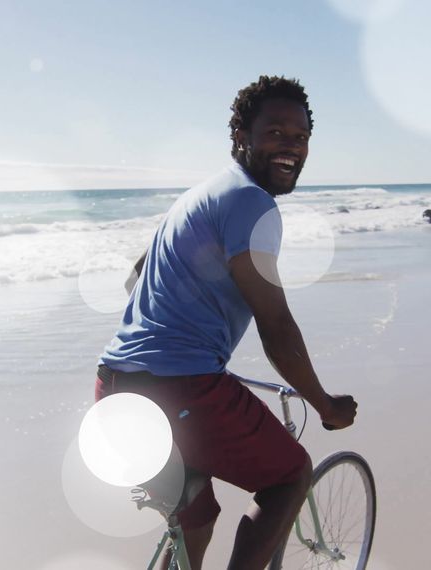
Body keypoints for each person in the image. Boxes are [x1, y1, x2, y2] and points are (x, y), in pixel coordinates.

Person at [95, 75, 358, 570]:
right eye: (276, 132)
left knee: (197, 515)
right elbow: (275, 325)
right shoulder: (251, 203)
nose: (291, 147)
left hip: (114, 384)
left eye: (301, 137)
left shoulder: (199, 196)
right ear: (242, 135)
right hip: (181, 388)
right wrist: (324, 404)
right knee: (289, 475)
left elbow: (137, 279)